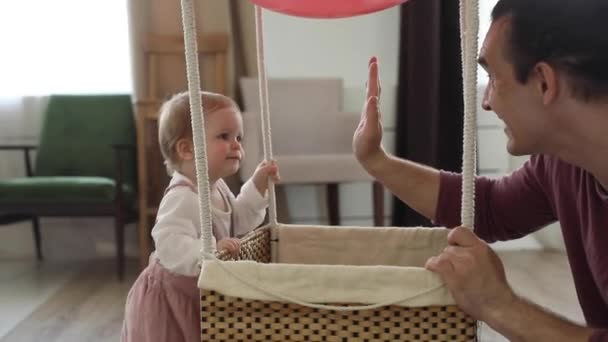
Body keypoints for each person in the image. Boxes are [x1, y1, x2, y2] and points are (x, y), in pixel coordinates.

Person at [353, 0, 608, 341]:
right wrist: (376, 160)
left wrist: (499, 305)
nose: (486, 101)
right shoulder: (561, 165)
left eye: (493, 78)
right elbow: (489, 207)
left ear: (544, 83)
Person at [121, 91, 280, 342]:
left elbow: (239, 219)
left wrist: (257, 185)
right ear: (186, 149)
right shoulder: (182, 197)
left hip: (199, 294)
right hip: (171, 299)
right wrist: (209, 249)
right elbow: (169, 244)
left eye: (238, 137)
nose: (237, 144)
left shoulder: (217, 187)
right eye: (224, 136)